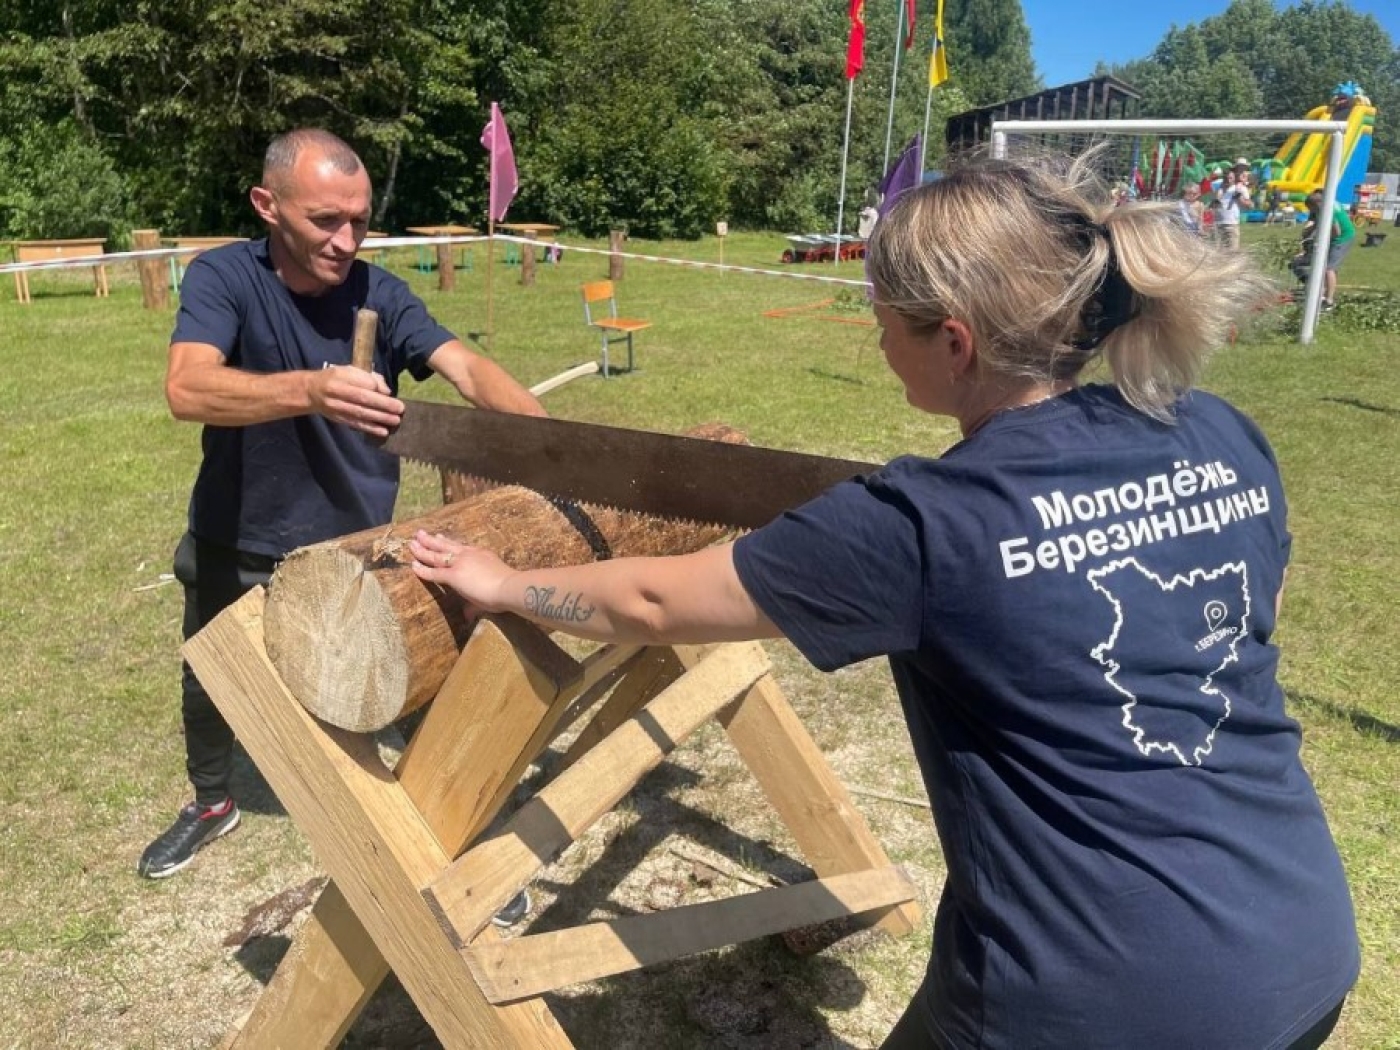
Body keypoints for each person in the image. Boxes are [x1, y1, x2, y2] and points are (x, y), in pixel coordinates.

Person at [407, 152, 1359, 1048]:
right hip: (1303, 941)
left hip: (1090, 1000)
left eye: (883, 318)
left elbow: (657, 600)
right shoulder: (1217, 431)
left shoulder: (925, 520)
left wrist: (501, 585)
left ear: (955, 340)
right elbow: (1259, 597)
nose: (873, 337)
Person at [141, 126, 546, 927]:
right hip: (237, 533)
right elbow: (189, 389)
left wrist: (554, 443)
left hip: (356, 545)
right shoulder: (224, 277)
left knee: (409, 691)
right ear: (268, 206)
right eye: (327, 220)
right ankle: (213, 803)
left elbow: (464, 366)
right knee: (207, 688)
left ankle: (454, 839)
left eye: (360, 221)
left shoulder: (382, 295)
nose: (347, 239)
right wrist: (313, 390)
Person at [1291, 191, 1355, 311]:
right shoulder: (1323, 206)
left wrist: (1320, 239)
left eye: (1312, 209)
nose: (1312, 212)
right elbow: (1316, 223)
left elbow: (1337, 232)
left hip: (1342, 239)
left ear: (1317, 204)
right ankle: (1321, 292)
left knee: (1329, 269)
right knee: (1328, 267)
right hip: (1337, 237)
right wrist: (1307, 233)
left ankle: (1329, 301)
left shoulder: (1329, 211)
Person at [1211, 168, 1252, 249]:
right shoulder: (1219, 189)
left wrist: (1239, 197)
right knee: (1218, 251)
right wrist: (1216, 199)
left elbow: (1249, 205)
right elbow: (1212, 207)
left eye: (1230, 178)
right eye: (1226, 178)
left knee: (1232, 251)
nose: (1228, 180)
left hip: (1231, 224)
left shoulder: (1239, 189)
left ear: (1234, 179)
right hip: (1218, 224)